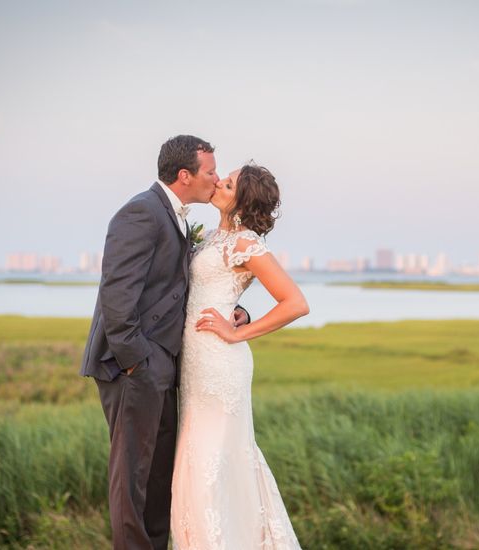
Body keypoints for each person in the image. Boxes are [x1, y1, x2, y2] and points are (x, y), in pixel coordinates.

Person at [80, 135, 248, 549]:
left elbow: (176, 290)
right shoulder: (141, 212)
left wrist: (235, 315)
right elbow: (117, 298)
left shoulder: (174, 216)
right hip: (133, 369)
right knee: (132, 481)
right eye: (210, 171)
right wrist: (139, 362)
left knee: (158, 477)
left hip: (163, 368)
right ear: (185, 175)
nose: (215, 178)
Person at [170, 164, 309, 549]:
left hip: (220, 364)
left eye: (227, 183)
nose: (217, 183)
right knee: (195, 463)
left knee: (212, 467)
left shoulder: (246, 243)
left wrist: (239, 329)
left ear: (242, 201)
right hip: (195, 365)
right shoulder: (216, 237)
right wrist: (239, 310)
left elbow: (295, 303)